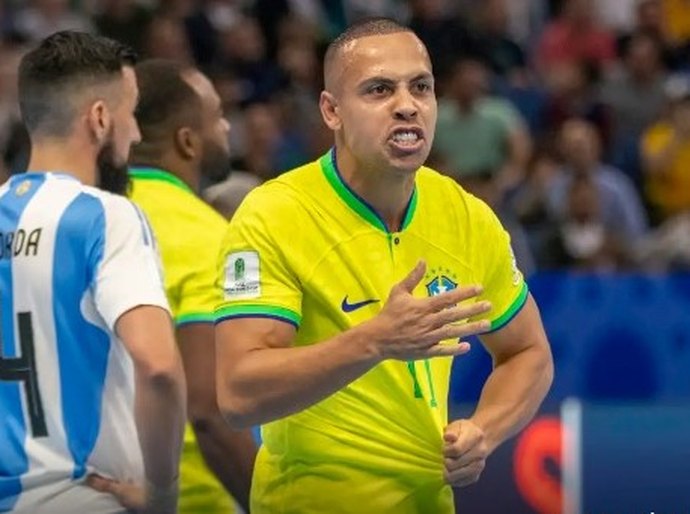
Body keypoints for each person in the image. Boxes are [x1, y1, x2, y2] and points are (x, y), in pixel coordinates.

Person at [214, 18, 554, 514]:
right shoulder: (275, 215)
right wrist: (374, 340)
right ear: (332, 110)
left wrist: (485, 428)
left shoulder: (466, 216)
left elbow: (528, 352)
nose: (406, 105)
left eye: (421, 87)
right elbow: (239, 394)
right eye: (378, 90)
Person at [0, 31, 186, 513]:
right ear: (100, 118)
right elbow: (160, 367)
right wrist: (162, 494)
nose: (138, 135)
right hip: (86, 498)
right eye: (132, 113)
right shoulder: (107, 216)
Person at [126, 58, 256, 514]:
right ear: (187, 141)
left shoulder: (87, 219)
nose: (226, 128)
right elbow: (208, 413)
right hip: (193, 495)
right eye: (217, 116)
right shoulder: (210, 236)